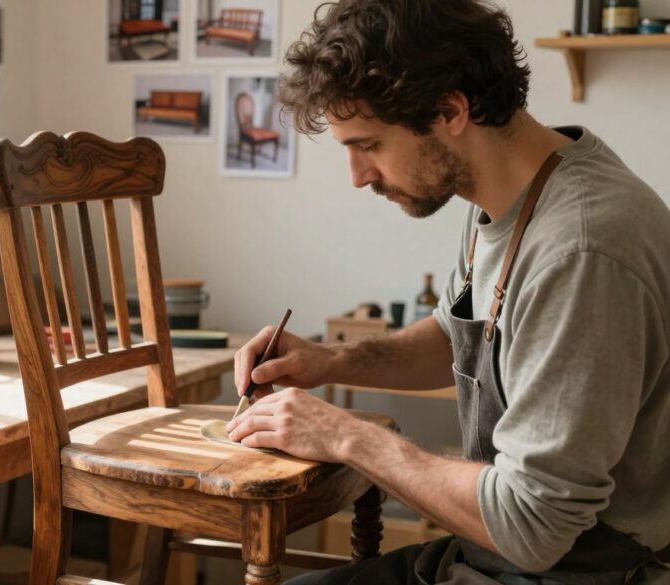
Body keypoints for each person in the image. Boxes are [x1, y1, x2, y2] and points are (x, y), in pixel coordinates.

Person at [226, 0, 670, 583]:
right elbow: (455, 339)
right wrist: (329, 361)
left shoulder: (581, 250)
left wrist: (345, 436)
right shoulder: (507, 195)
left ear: (450, 109)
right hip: (495, 556)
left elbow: (534, 526)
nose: (357, 176)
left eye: (369, 145)